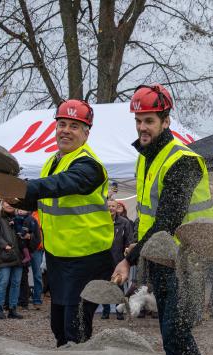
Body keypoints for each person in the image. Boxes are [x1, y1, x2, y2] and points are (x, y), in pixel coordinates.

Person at [110, 84, 213, 355]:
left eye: (149, 121)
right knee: (173, 339)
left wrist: (129, 259)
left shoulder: (182, 160)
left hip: (187, 262)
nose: (142, 127)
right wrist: (138, 245)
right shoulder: (146, 158)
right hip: (163, 259)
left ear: (166, 121)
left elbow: (167, 221)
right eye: (138, 121)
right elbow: (148, 214)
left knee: (177, 337)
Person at [12, 99, 114, 337]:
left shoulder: (90, 165)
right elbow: (45, 200)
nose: (66, 130)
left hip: (87, 258)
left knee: (74, 328)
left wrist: (24, 188)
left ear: (86, 134)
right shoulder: (52, 162)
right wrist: (17, 199)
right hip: (59, 257)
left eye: (74, 126)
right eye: (62, 124)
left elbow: (62, 184)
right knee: (58, 326)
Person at [0, 201, 25, 319]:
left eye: (11, 203)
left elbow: (28, 231)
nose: (9, 205)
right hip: (5, 256)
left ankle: (12, 309)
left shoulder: (19, 218)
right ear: (2, 205)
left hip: (18, 256)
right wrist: (4, 245)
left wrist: (27, 236)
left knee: (16, 283)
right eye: (7, 203)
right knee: (3, 283)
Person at [102, 200, 134, 320]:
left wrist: (127, 255)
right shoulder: (101, 221)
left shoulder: (124, 222)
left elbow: (129, 240)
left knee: (118, 286)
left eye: (113, 206)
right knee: (104, 285)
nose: (111, 208)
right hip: (103, 259)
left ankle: (119, 311)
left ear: (117, 208)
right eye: (109, 206)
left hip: (118, 259)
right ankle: (105, 311)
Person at [13, 207, 43, 309]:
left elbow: (40, 233)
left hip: (37, 249)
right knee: (22, 275)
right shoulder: (20, 216)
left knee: (37, 275)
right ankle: (21, 299)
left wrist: (30, 237)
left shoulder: (41, 214)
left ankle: (37, 299)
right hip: (24, 248)